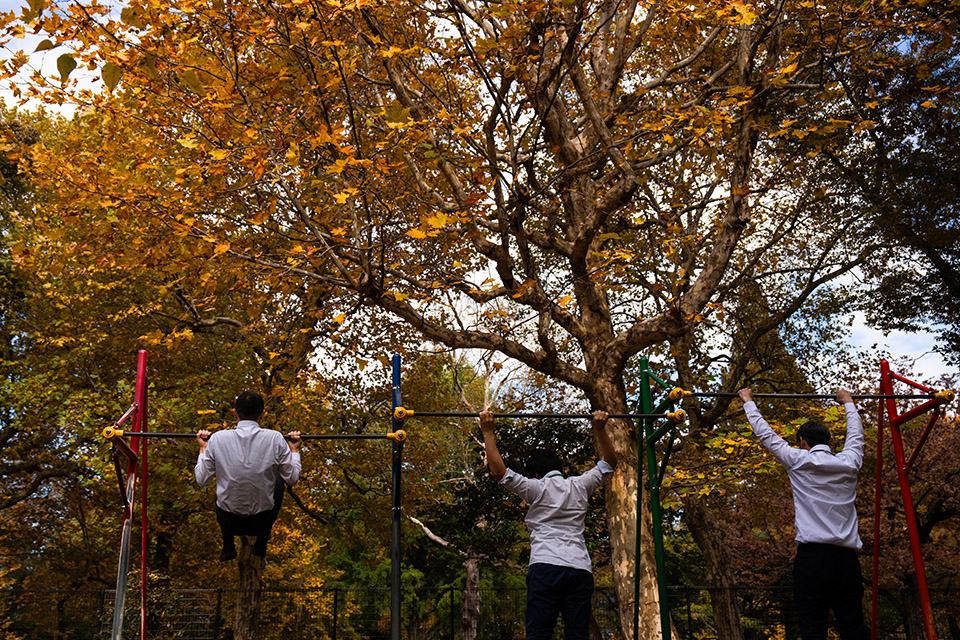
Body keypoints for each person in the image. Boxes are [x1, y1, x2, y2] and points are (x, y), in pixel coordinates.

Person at [738, 387, 869, 640]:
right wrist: (848, 403)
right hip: (846, 560)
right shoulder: (850, 462)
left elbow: (767, 435)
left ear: (803, 442)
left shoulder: (798, 460)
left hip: (812, 559)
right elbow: (856, 436)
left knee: (812, 628)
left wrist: (748, 402)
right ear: (828, 442)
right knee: (853, 628)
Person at [479, 409, 617, 640]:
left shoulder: (536, 487)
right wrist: (600, 429)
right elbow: (609, 463)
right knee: (577, 635)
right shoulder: (580, 485)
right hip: (579, 568)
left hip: (546, 565)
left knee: (539, 633)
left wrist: (487, 431)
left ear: (535, 473)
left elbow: (498, 472)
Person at [195, 391, 302, 562]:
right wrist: (294, 451)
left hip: (228, 521)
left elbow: (201, 480)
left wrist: (203, 449)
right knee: (279, 481)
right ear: (262, 415)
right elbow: (293, 478)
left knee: (223, 478)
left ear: (235, 413)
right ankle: (261, 543)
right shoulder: (275, 439)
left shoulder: (217, 439)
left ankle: (228, 545)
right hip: (261, 522)